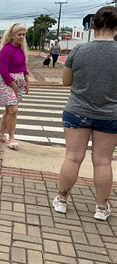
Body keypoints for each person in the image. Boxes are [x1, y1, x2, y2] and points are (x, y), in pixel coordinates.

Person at [52, 6, 116, 221]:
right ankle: (101, 207)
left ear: (94, 25)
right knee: (103, 161)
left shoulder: (79, 51)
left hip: (77, 111)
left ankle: (62, 200)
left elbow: (66, 81)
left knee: (73, 157)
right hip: (110, 115)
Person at [0, 23, 30, 149]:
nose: (22, 37)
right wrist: (13, 85)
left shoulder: (21, 50)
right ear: (12, 35)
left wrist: (26, 81)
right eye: (19, 34)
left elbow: (23, 67)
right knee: (13, 110)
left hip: (18, 81)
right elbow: (3, 70)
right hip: (6, 82)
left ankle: (1, 134)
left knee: (9, 111)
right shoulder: (6, 50)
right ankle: (11, 138)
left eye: (24, 34)